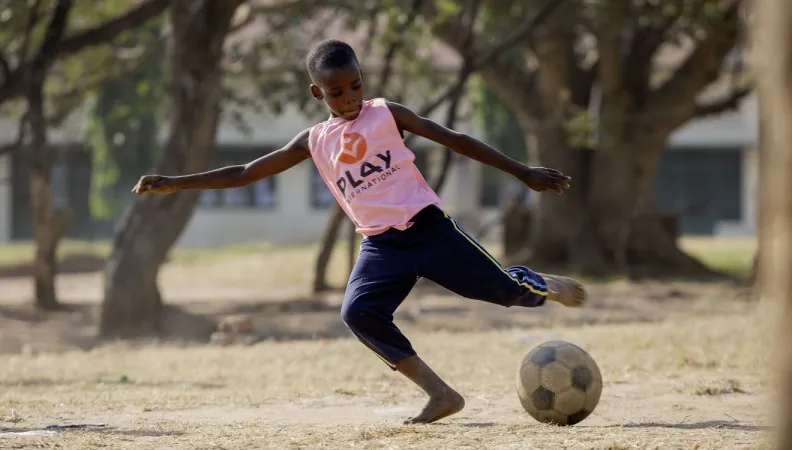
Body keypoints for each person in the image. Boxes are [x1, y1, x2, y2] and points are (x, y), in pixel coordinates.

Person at [132, 39, 587, 425]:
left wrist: (524, 172)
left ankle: (542, 284)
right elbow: (245, 173)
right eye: (336, 92)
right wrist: (176, 182)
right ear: (317, 93)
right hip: (381, 246)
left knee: (506, 292)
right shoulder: (313, 141)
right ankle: (440, 393)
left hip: (429, 229)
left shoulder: (386, 114)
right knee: (358, 312)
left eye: (355, 86)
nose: (349, 98)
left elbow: (457, 141)